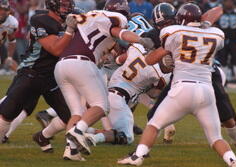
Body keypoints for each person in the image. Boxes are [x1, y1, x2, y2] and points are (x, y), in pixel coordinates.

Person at [117, 3, 236, 167]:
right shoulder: (216, 34)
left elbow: (150, 60)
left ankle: (137, 157)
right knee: (215, 138)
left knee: (154, 124)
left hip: (182, 88)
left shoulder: (173, 32)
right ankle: (234, 162)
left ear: (179, 18)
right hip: (206, 91)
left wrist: (164, 56)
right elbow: (210, 26)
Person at [54, 0, 154, 156]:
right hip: (81, 63)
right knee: (102, 106)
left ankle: (71, 150)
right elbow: (119, 33)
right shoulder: (115, 18)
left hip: (61, 65)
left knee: (77, 113)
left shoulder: (90, 16)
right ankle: (78, 131)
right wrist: (140, 40)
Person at [0, 0, 77, 154]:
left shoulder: (74, 18)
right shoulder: (40, 20)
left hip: (53, 77)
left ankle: (46, 138)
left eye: (68, 5)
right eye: (63, 5)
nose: (67, 8)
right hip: (32, 73)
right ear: (52, 6)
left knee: (71, 117)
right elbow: (55, 49)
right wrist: (69, 30)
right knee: (8, 112)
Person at [0, 0, 18, 75]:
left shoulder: (13, 22)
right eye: (0, 9)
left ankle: (20, 73)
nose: (3, 12)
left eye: (5, 10)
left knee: (8, 61)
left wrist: (10, 57)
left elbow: (12, 40)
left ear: (9, 11)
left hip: (1, 41)